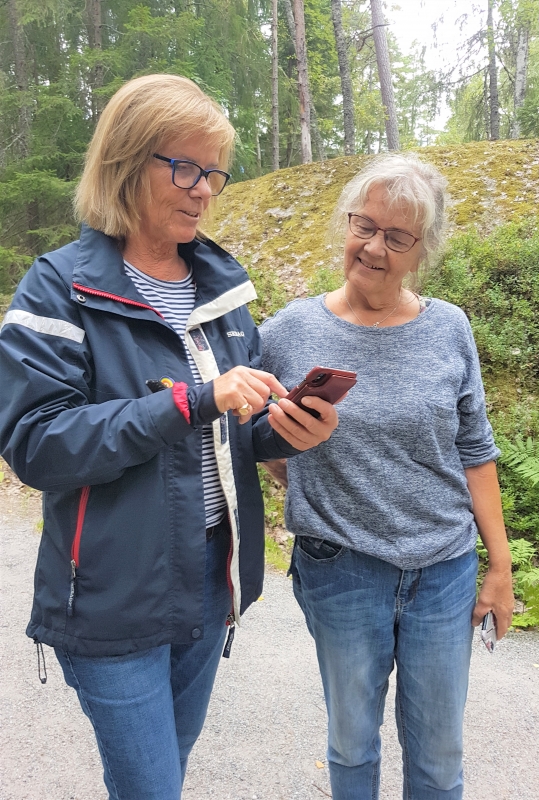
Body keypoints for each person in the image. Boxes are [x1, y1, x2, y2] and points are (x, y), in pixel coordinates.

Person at [0, 74, 339, 800]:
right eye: (184, 168)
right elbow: (37, 444)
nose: (203, 190)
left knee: (163, 779)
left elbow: (231, 436)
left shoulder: (221, 291)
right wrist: (189, 402)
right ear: (125, 162)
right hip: (111, 593)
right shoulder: (58, 287)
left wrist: (286, 433)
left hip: (209, 579)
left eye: (214, 172)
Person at [259, 153, 514, 800]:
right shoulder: (289, 330)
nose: (373, 247)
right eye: (364, 225)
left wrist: (500, 566)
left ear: (423, 250)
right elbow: (252, 428)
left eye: (397, 237)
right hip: (339, 569)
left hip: (443, 571)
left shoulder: (449, 328)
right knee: (351, 746)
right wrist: (290, 469)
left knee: (438, 757)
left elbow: (475, 450)